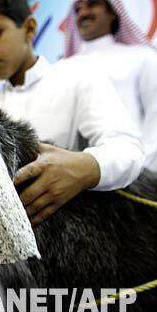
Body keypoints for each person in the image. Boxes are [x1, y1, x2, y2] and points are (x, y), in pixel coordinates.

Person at [0, 0, 144, 225]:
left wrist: (85, 168)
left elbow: (127, 147)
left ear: (29, 28)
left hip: (72, 235)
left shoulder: (76, 77)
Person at [64, 0, 157, 199]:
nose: (83, 13)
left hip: (137, 185)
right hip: (74, 188)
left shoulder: (142, 58)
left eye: (92, 5)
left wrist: (138, 173)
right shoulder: (61, 69)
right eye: (78, 9)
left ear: (114, 12)